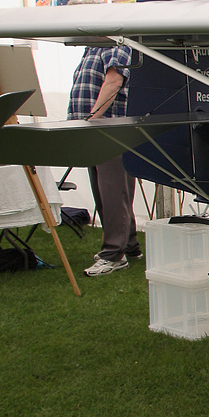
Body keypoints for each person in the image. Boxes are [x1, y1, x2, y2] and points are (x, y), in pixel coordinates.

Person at [68, 40, 139, 276]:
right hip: (93, 129)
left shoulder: (116, 47)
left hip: (108, 128)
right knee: (107, 191)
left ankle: (113, 255)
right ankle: (129, 246)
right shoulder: (92, 48)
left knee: (112, 192)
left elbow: (114, 81)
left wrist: (92, 116)